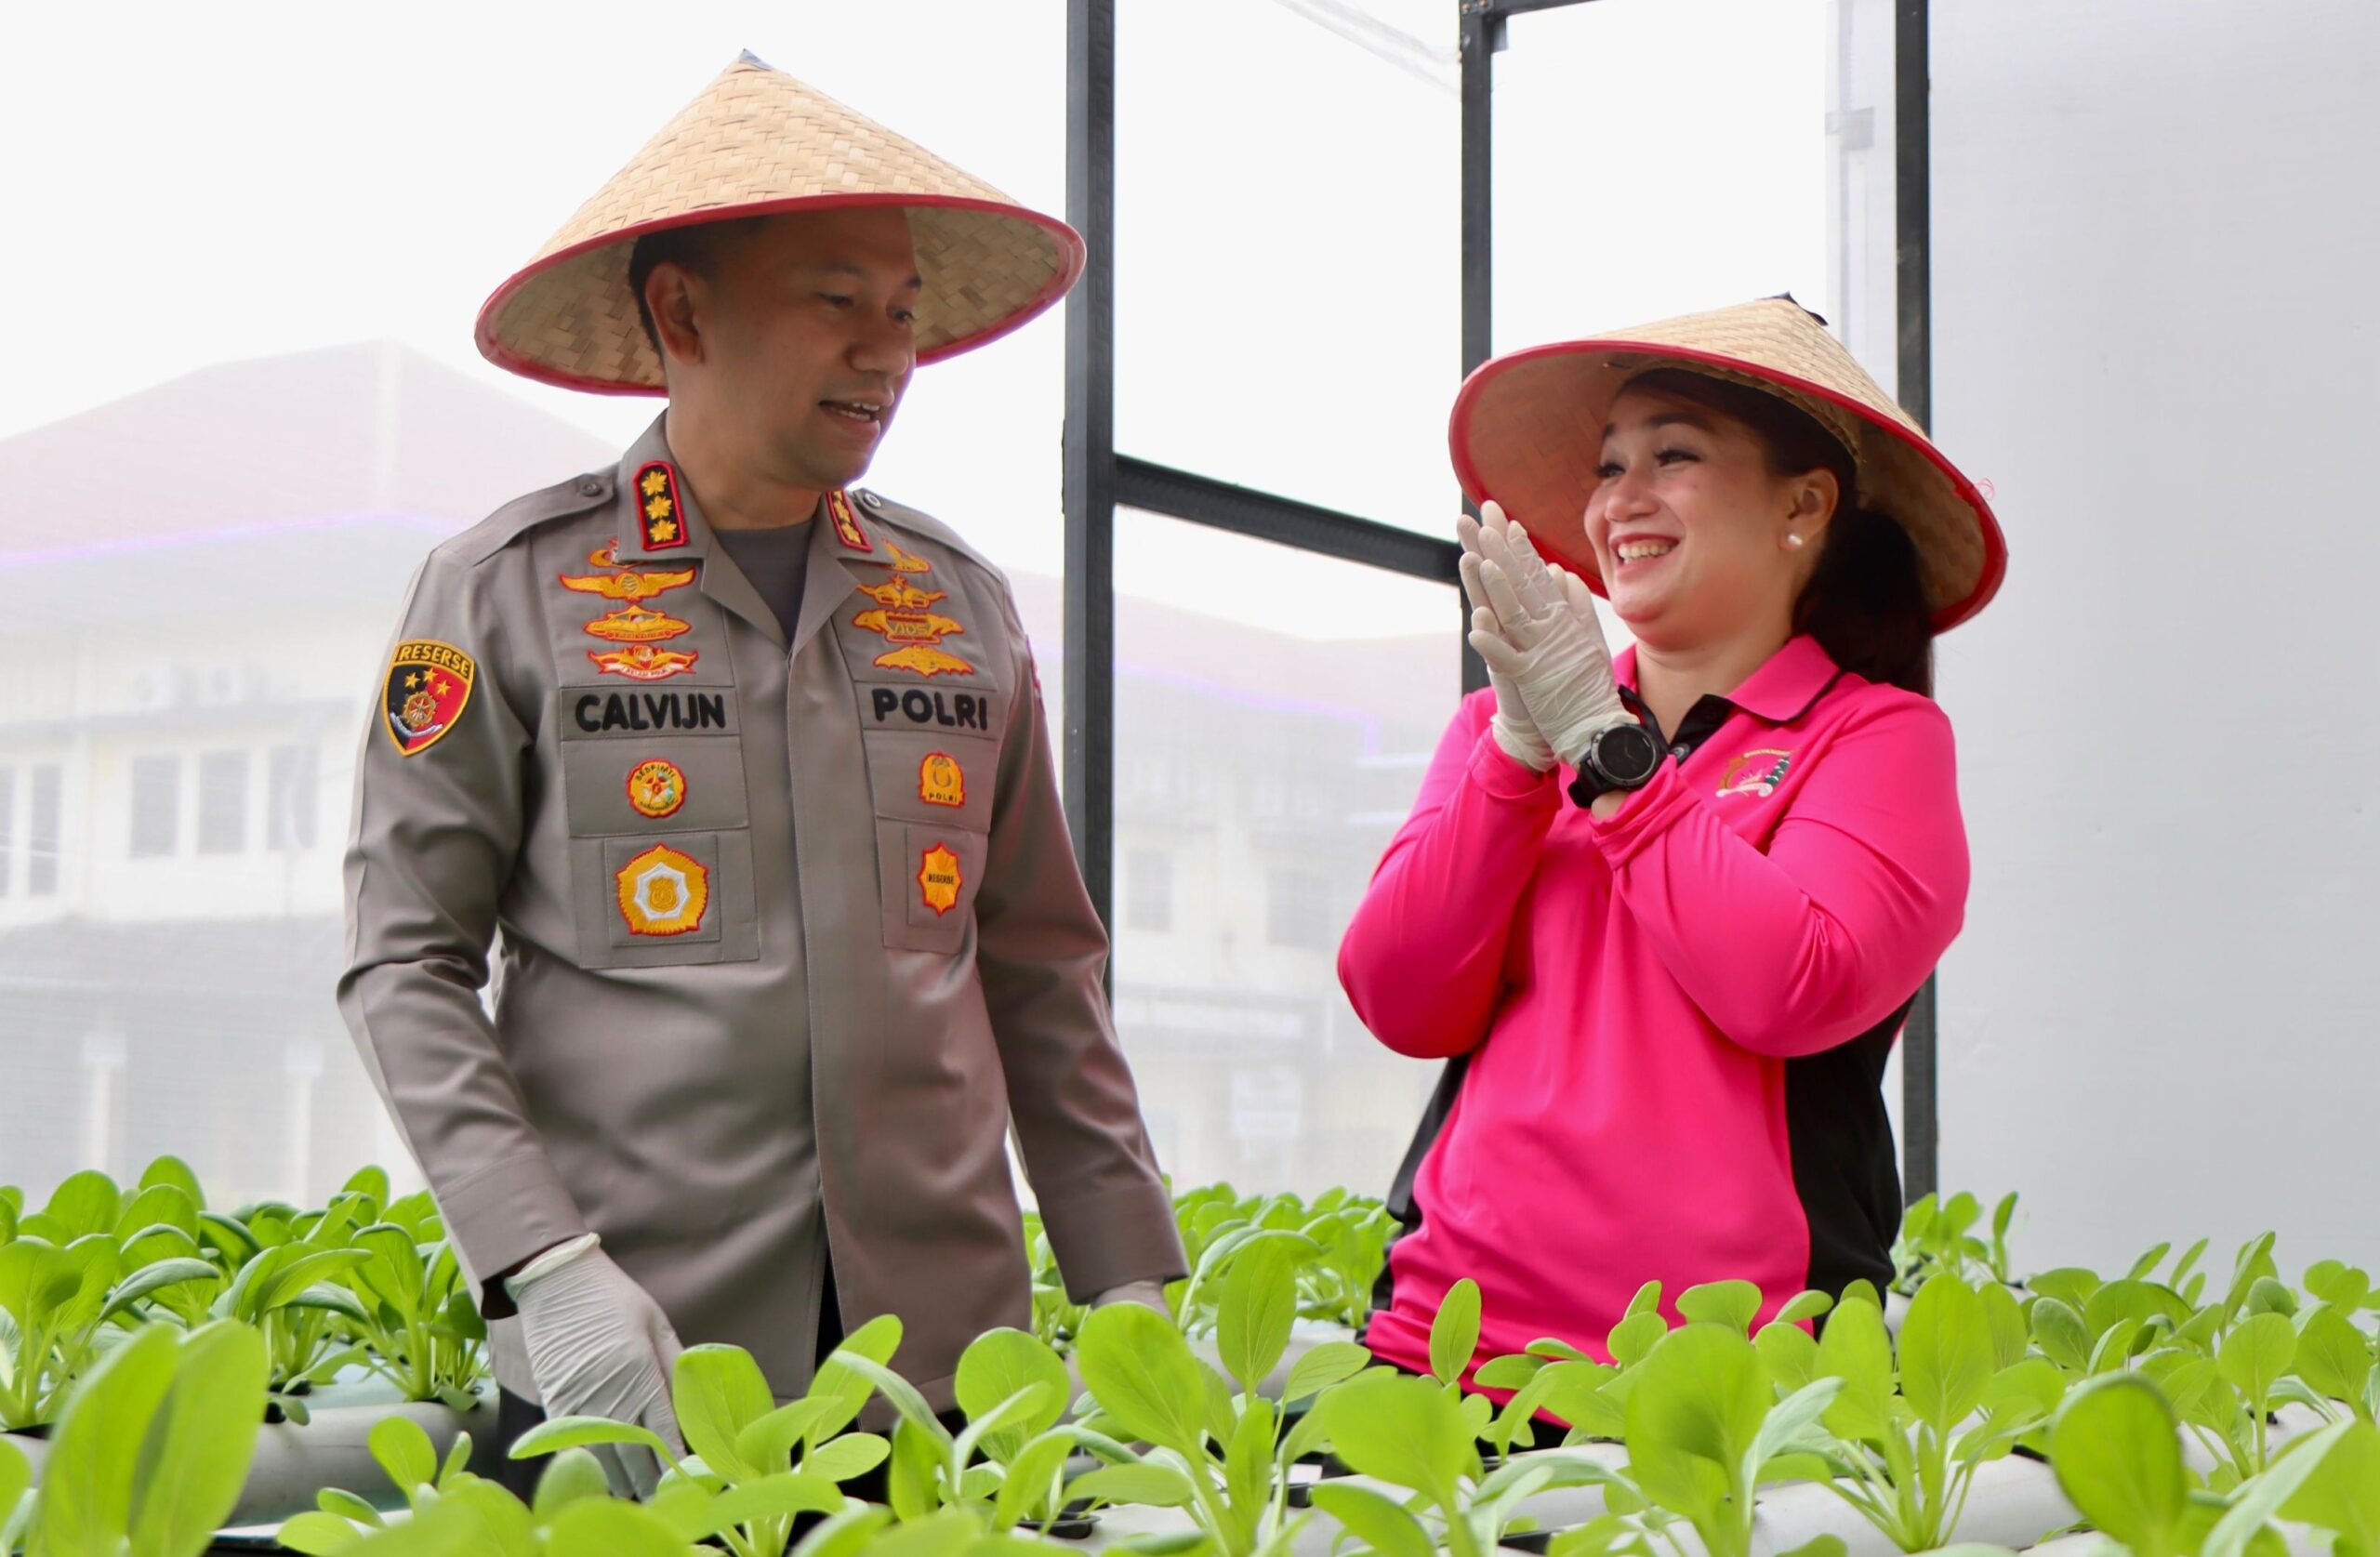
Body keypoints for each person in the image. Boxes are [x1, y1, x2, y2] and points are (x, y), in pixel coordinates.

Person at [338, 54, 1183, 1490]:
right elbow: (405, 963)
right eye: (838, 301)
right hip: (638, 1371)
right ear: (682, 311)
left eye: (904, 314)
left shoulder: (958, 603)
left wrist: (1132, 1281)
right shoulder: (503, 590)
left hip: (938, 1393)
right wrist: (544, 1264)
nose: (888, 352)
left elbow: (1042, 966)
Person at [1339, 297, 2006, 1377]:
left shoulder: (1878, 738)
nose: (1620, 500)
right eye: (1608, 467)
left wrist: (1605, 751)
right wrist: (1518, 753)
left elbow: (1792, 984)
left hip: (1728, 1375)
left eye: (1672, 454)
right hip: (1443, 1349)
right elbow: (1397, 995)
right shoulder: (1497, 733)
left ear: (1803, 505)